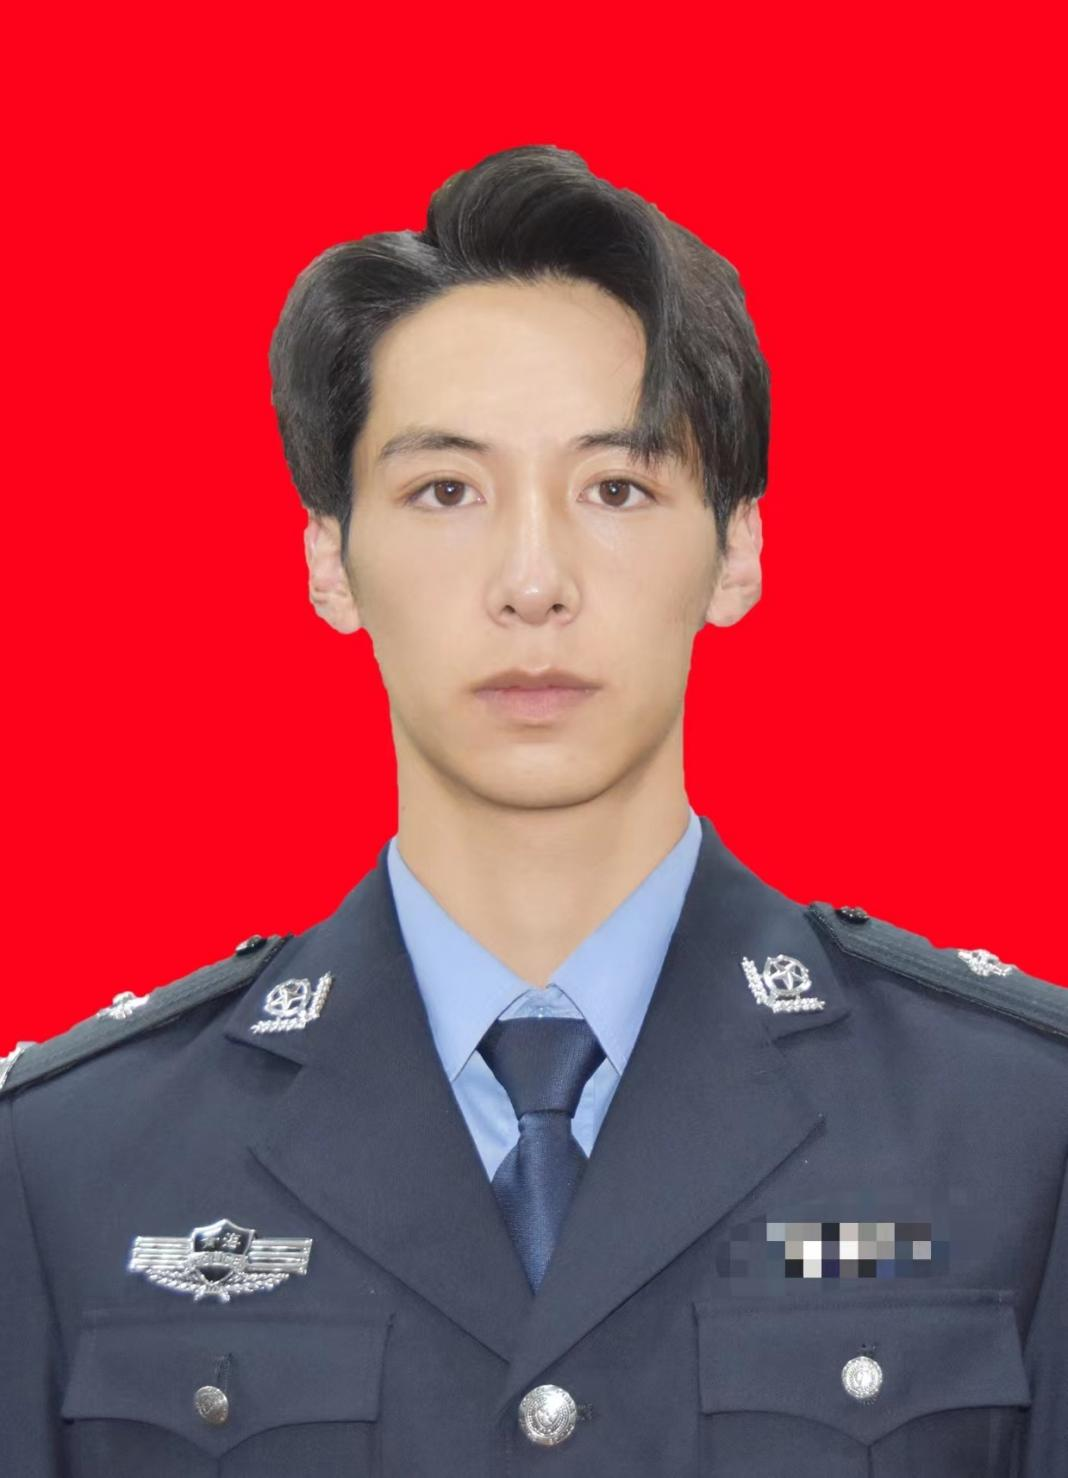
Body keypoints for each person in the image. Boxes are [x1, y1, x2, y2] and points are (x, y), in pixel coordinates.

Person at [2, 143, 1065, 1478]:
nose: (532, 578)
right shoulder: (72, 1159)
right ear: (330, 558)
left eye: (616, 488)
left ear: (737, 549)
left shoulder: (1017, 1123)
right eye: (445, 491)